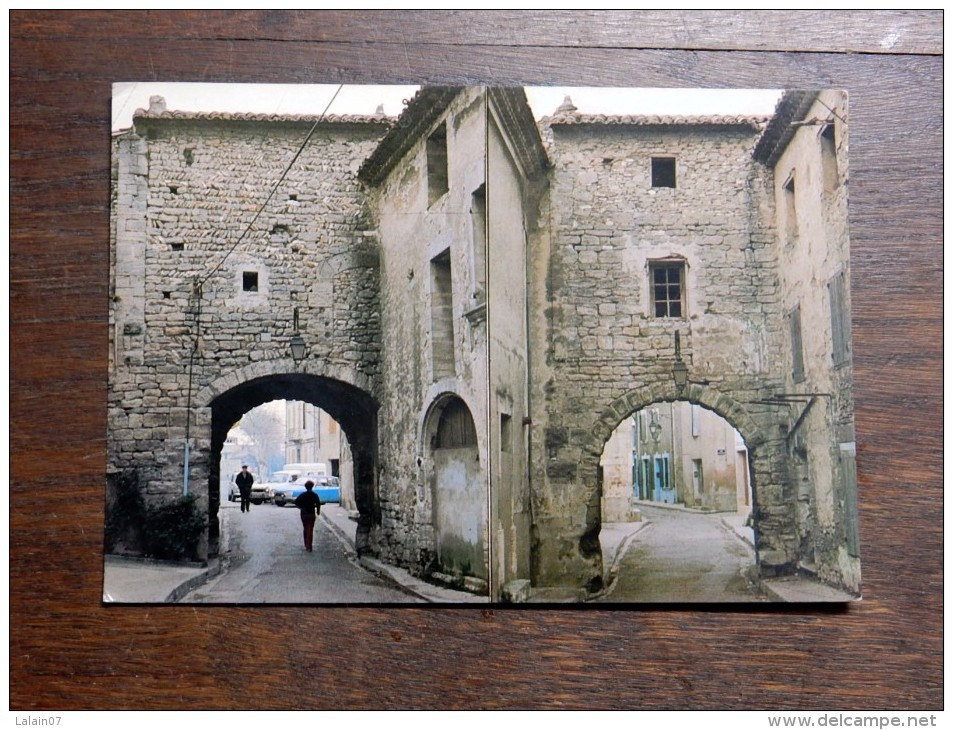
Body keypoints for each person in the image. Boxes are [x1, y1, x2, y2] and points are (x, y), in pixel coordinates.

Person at [294, 480, 322, 552]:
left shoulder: (302, 495)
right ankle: (309, 546)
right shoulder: (315, 495)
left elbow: (296, 502)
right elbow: (318, 503)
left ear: (305, 487)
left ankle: (306, 544)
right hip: (311, 513)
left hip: (304, 514)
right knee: (310, 529)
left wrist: (301, 507)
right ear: (312, 487)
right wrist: (318, 511)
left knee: (305, 528)